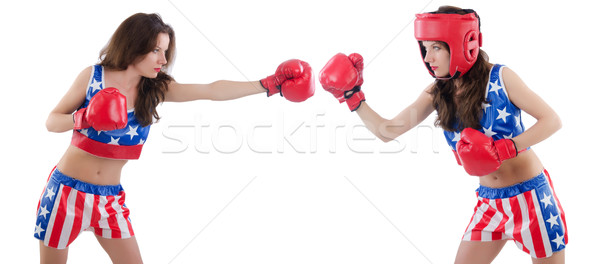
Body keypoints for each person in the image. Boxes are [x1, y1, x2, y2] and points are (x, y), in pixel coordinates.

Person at [35, 12, 314, 264]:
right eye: (156, 50)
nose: (163, 60)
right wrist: (83, 118)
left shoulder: (155, 90)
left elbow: (211, 90)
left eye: (165, 51)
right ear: (134, 45)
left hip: (109, 199)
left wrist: (267, 85)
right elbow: (51, 121)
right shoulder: (93, 77)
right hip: (65, 193)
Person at [319, 6, 567, 264]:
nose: (428, 57)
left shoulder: (500, 77)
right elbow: (387, 131)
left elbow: (552, 120)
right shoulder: (436, 93)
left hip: (532, 199)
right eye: (424, 48)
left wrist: (506, 148)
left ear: (462, 44)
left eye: (436, 48)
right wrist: (352, 97)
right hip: (491, 203)